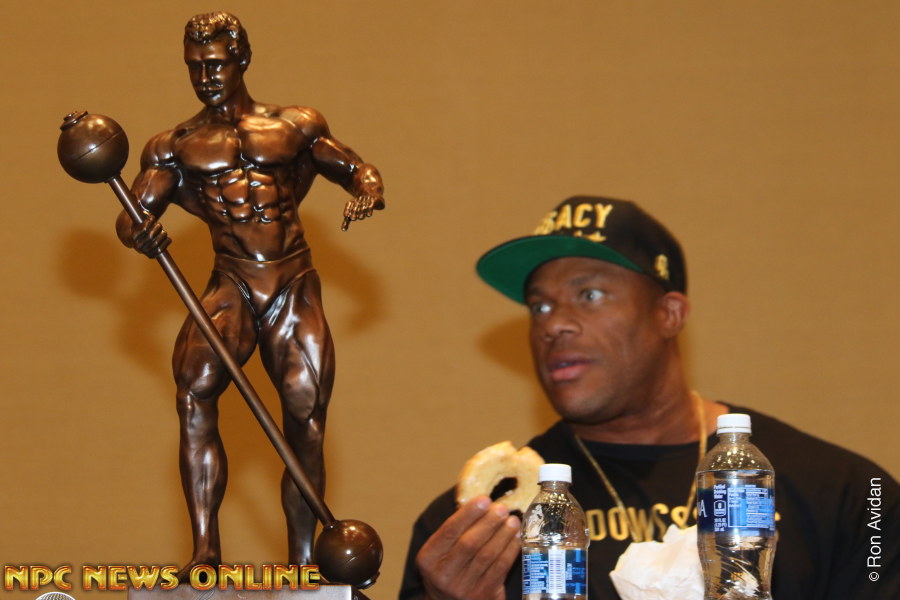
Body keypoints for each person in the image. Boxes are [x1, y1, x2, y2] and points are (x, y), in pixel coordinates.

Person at [399, 196, 898, 600]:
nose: (554, 325)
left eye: (589, 295)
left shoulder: (852, 495)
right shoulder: (474, 531)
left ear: (669, 314)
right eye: (539, 306)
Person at [115, 12, 385, 575]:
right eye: (194, 67)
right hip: (232, 281)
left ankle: (303, 563)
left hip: (291, 281)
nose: (205, 77)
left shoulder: (295, 125)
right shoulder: (173, 146)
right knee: (193, 389)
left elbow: (354, 167)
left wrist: (367, 185)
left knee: (305, 417)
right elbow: (134, 213)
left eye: (215, 64)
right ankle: (205, 551)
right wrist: (137, 231)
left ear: (241, 60)